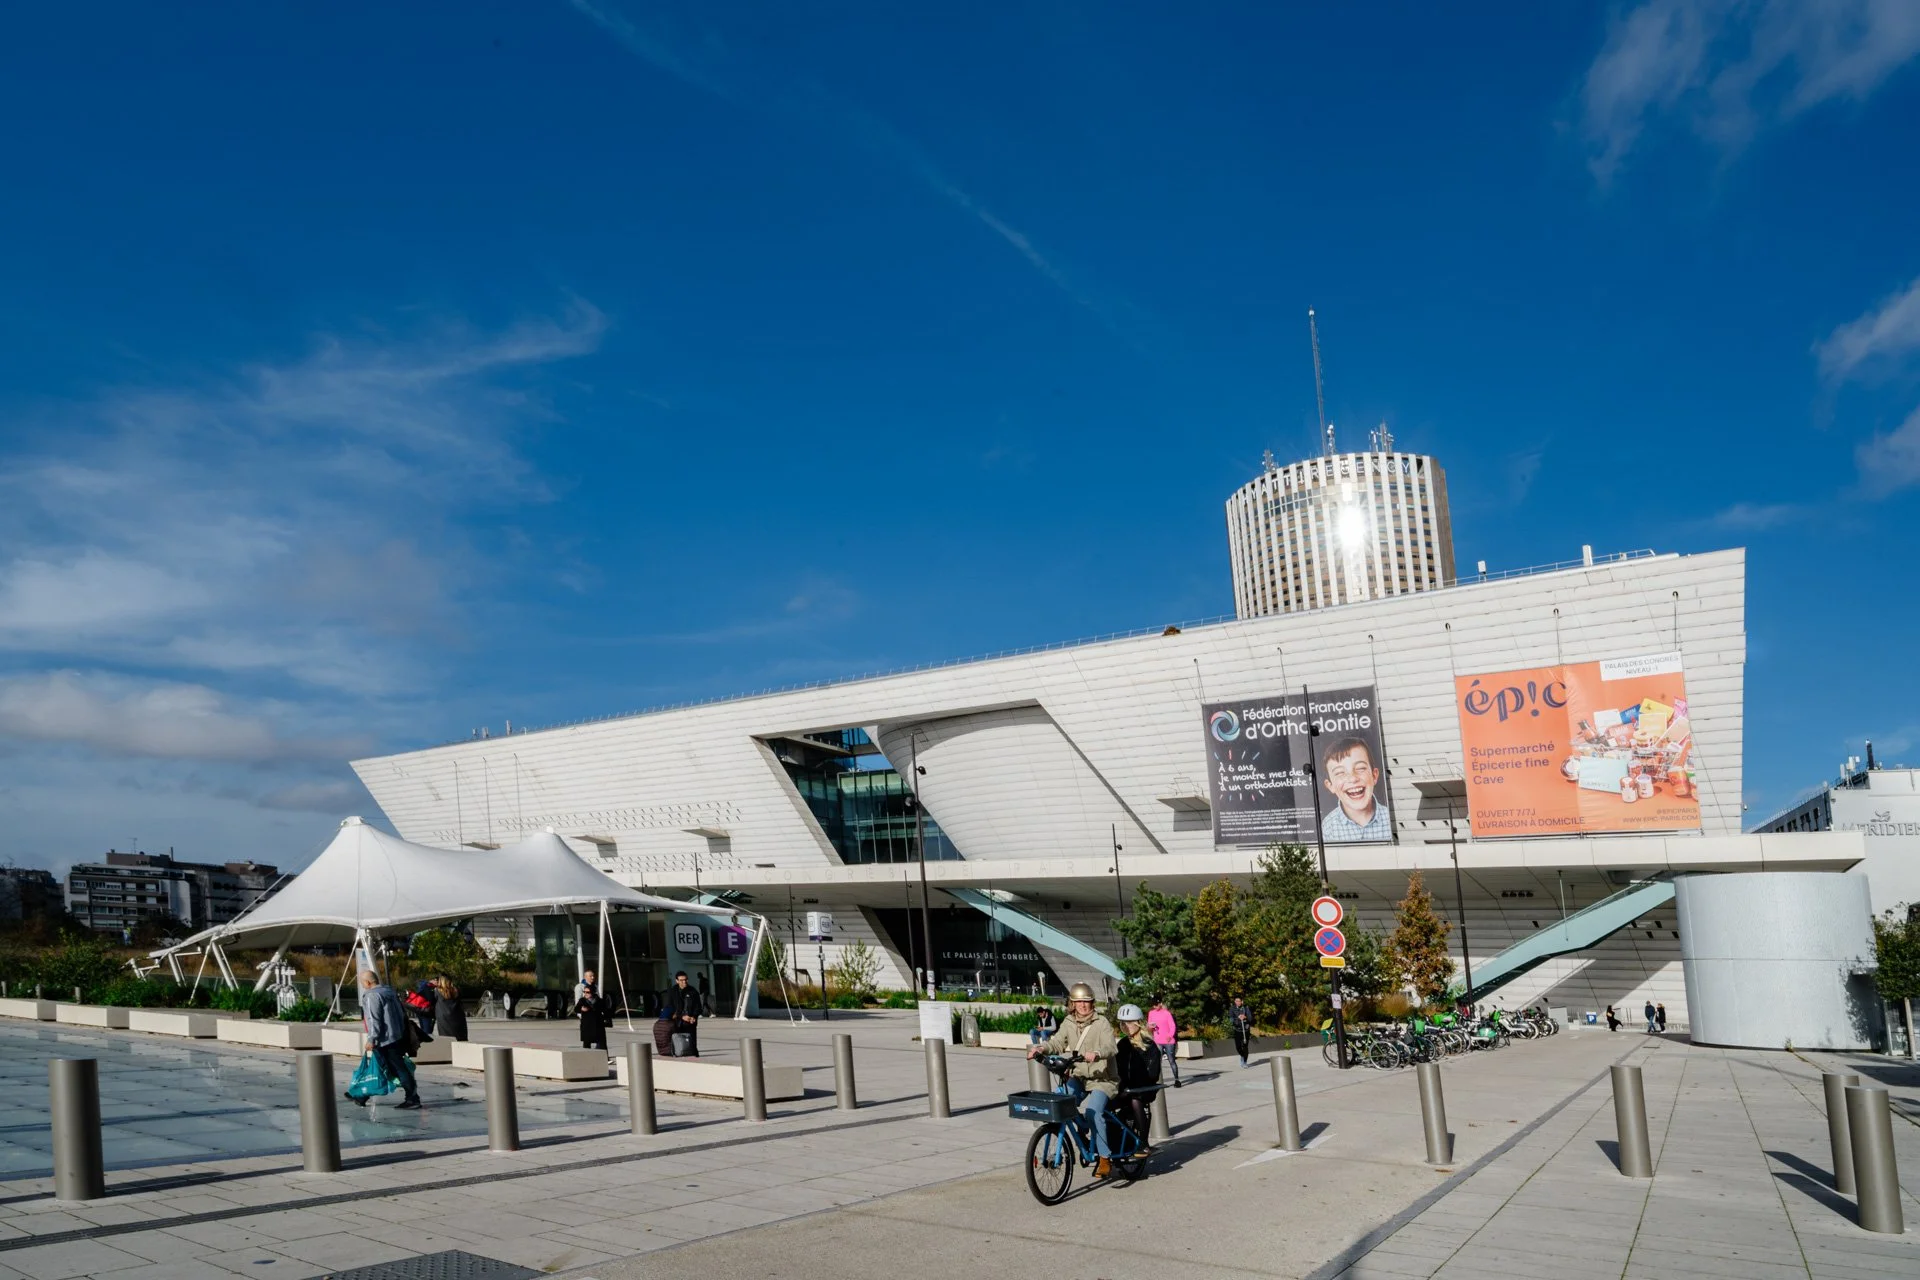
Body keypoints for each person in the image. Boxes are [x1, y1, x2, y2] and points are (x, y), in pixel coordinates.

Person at [1027, 983, 1119, 1179]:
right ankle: (1083, 1133)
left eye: (1086, 1002)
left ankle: (1104, 1158)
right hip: (1079, 1076)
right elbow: (1058, 1042)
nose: (1083, 1006)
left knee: (1094, 1112)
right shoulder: (1069, 1022)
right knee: (1059, 1099)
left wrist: (1097, 1053)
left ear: (1092, 1003)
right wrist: (1041, 1049)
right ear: (1073, 1004)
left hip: (1102, 1079)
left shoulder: (1101, 1023)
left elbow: (1111, 1047)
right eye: (1079, 1002)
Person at [353, 970, 420, 1110]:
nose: (362, 985)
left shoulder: (372, 996)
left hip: (384, 1039)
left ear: (367, 982)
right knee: (384, 1066)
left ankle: (412, 1098)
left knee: (396, 1068)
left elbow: (374, 1020)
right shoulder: (389, 992)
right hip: (396, 1036)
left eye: (362, 983)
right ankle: (361, 1096)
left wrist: (372, 1038)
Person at [1318, 736, 1392, 842]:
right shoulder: (1328, 827)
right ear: (1330, 786)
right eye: (1340, 773)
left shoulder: (1390, 818)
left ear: (1374, 776)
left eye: (1360, 768)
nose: (1352, 779)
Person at [1114, 1003, 1161, 1156]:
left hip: (1143, 1089)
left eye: (1128, 1023)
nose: (1125, 1026)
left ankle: (1143, 1143)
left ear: (1137, 1023)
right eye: (1122, 1023)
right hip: (1124, 1088)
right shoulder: (1122, 1044)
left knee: (1135, 1100)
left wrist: (1133, 1084)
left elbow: (1152, 1074)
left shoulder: (1149, 1045)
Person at [665, 970, 702, 1056]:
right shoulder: (672, 991)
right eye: (681, 980)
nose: (684, 982)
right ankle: (677, 1055)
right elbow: (670, 1008)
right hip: (677, 1022)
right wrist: (681, 1016)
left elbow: (698, 1007)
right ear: (677, 981)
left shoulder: (693, 991)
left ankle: (693, 1055)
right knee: (678, 1043)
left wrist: (694, 1016)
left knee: (691, 1043)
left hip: (690, 1022)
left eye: (686, 979)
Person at [1146, 998, 1181, 1088]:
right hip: (1158, 1040)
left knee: (1171, 1060)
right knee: (1157, 1061)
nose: (1155, 1006)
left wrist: (1170, 1035)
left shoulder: (1167, 1013)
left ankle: (1177, 1080)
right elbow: (1149, 1026)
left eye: (1156, 1005)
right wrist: (1151, 1027)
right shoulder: (1151, 1013)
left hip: (1168, 1041)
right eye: (1153, 1005)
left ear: (1160, 1004)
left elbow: (1172, 1025)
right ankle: (1157, 1080)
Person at [575, 970, 608, 1052]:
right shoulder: (580, 987)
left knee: (600, 1037)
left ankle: (601, 1053)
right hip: (586, 1017)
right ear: (585, 977)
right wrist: (581, 1014)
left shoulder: (595, 986)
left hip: (596, 1017)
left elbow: (599, 999)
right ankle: (587, 1054)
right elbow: (578, 1002)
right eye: (590, 976)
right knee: (587, 1038)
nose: (593, 977)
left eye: (593, 976)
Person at [432, 976, 468, 1042]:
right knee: (460, 1035)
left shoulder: (437, 991)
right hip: (457, 1016)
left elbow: (432, 1000)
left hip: (443, 1017)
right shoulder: (456, 990)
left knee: (445, 1036)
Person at [1228, 994, 1255, 1066]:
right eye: (1236, 1001)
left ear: (1242, 1001)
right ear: (1234, 1001)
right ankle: (1242, 1056)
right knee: (1238, 1047)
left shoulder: (1246, 1008)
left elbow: (1250, 1018)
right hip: (1237, 1030)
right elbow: (1231, 1019)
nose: (1237, 1002)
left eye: (1239, 1001)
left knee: (1245, 1046)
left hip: (1246, 1030)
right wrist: (1238, 1019)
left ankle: (1245, 1062)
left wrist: (1245, 1017)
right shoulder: (1232, 1008)